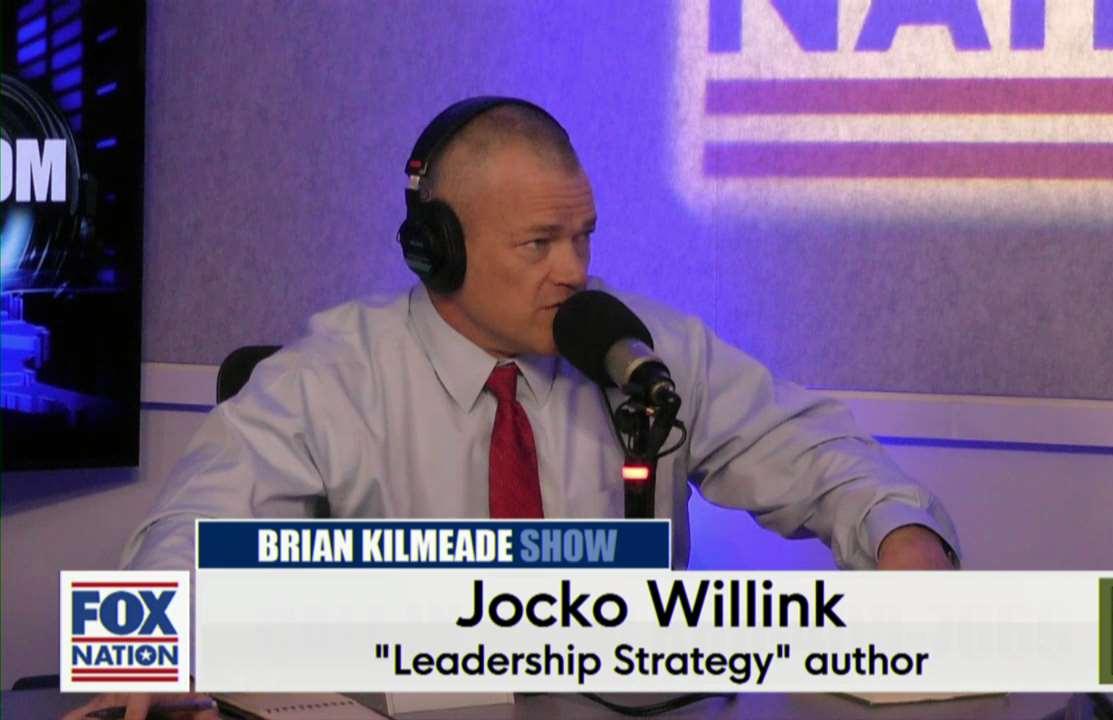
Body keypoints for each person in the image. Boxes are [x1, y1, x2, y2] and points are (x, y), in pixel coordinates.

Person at [65, 97, 959, 719]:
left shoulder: (639, 351)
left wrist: (903, 539)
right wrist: (148, 658)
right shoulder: (331, 376)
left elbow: (811, 453)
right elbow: (193, 526)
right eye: (539, 244)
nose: (574, 270)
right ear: (438, 251)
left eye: (583, 236)